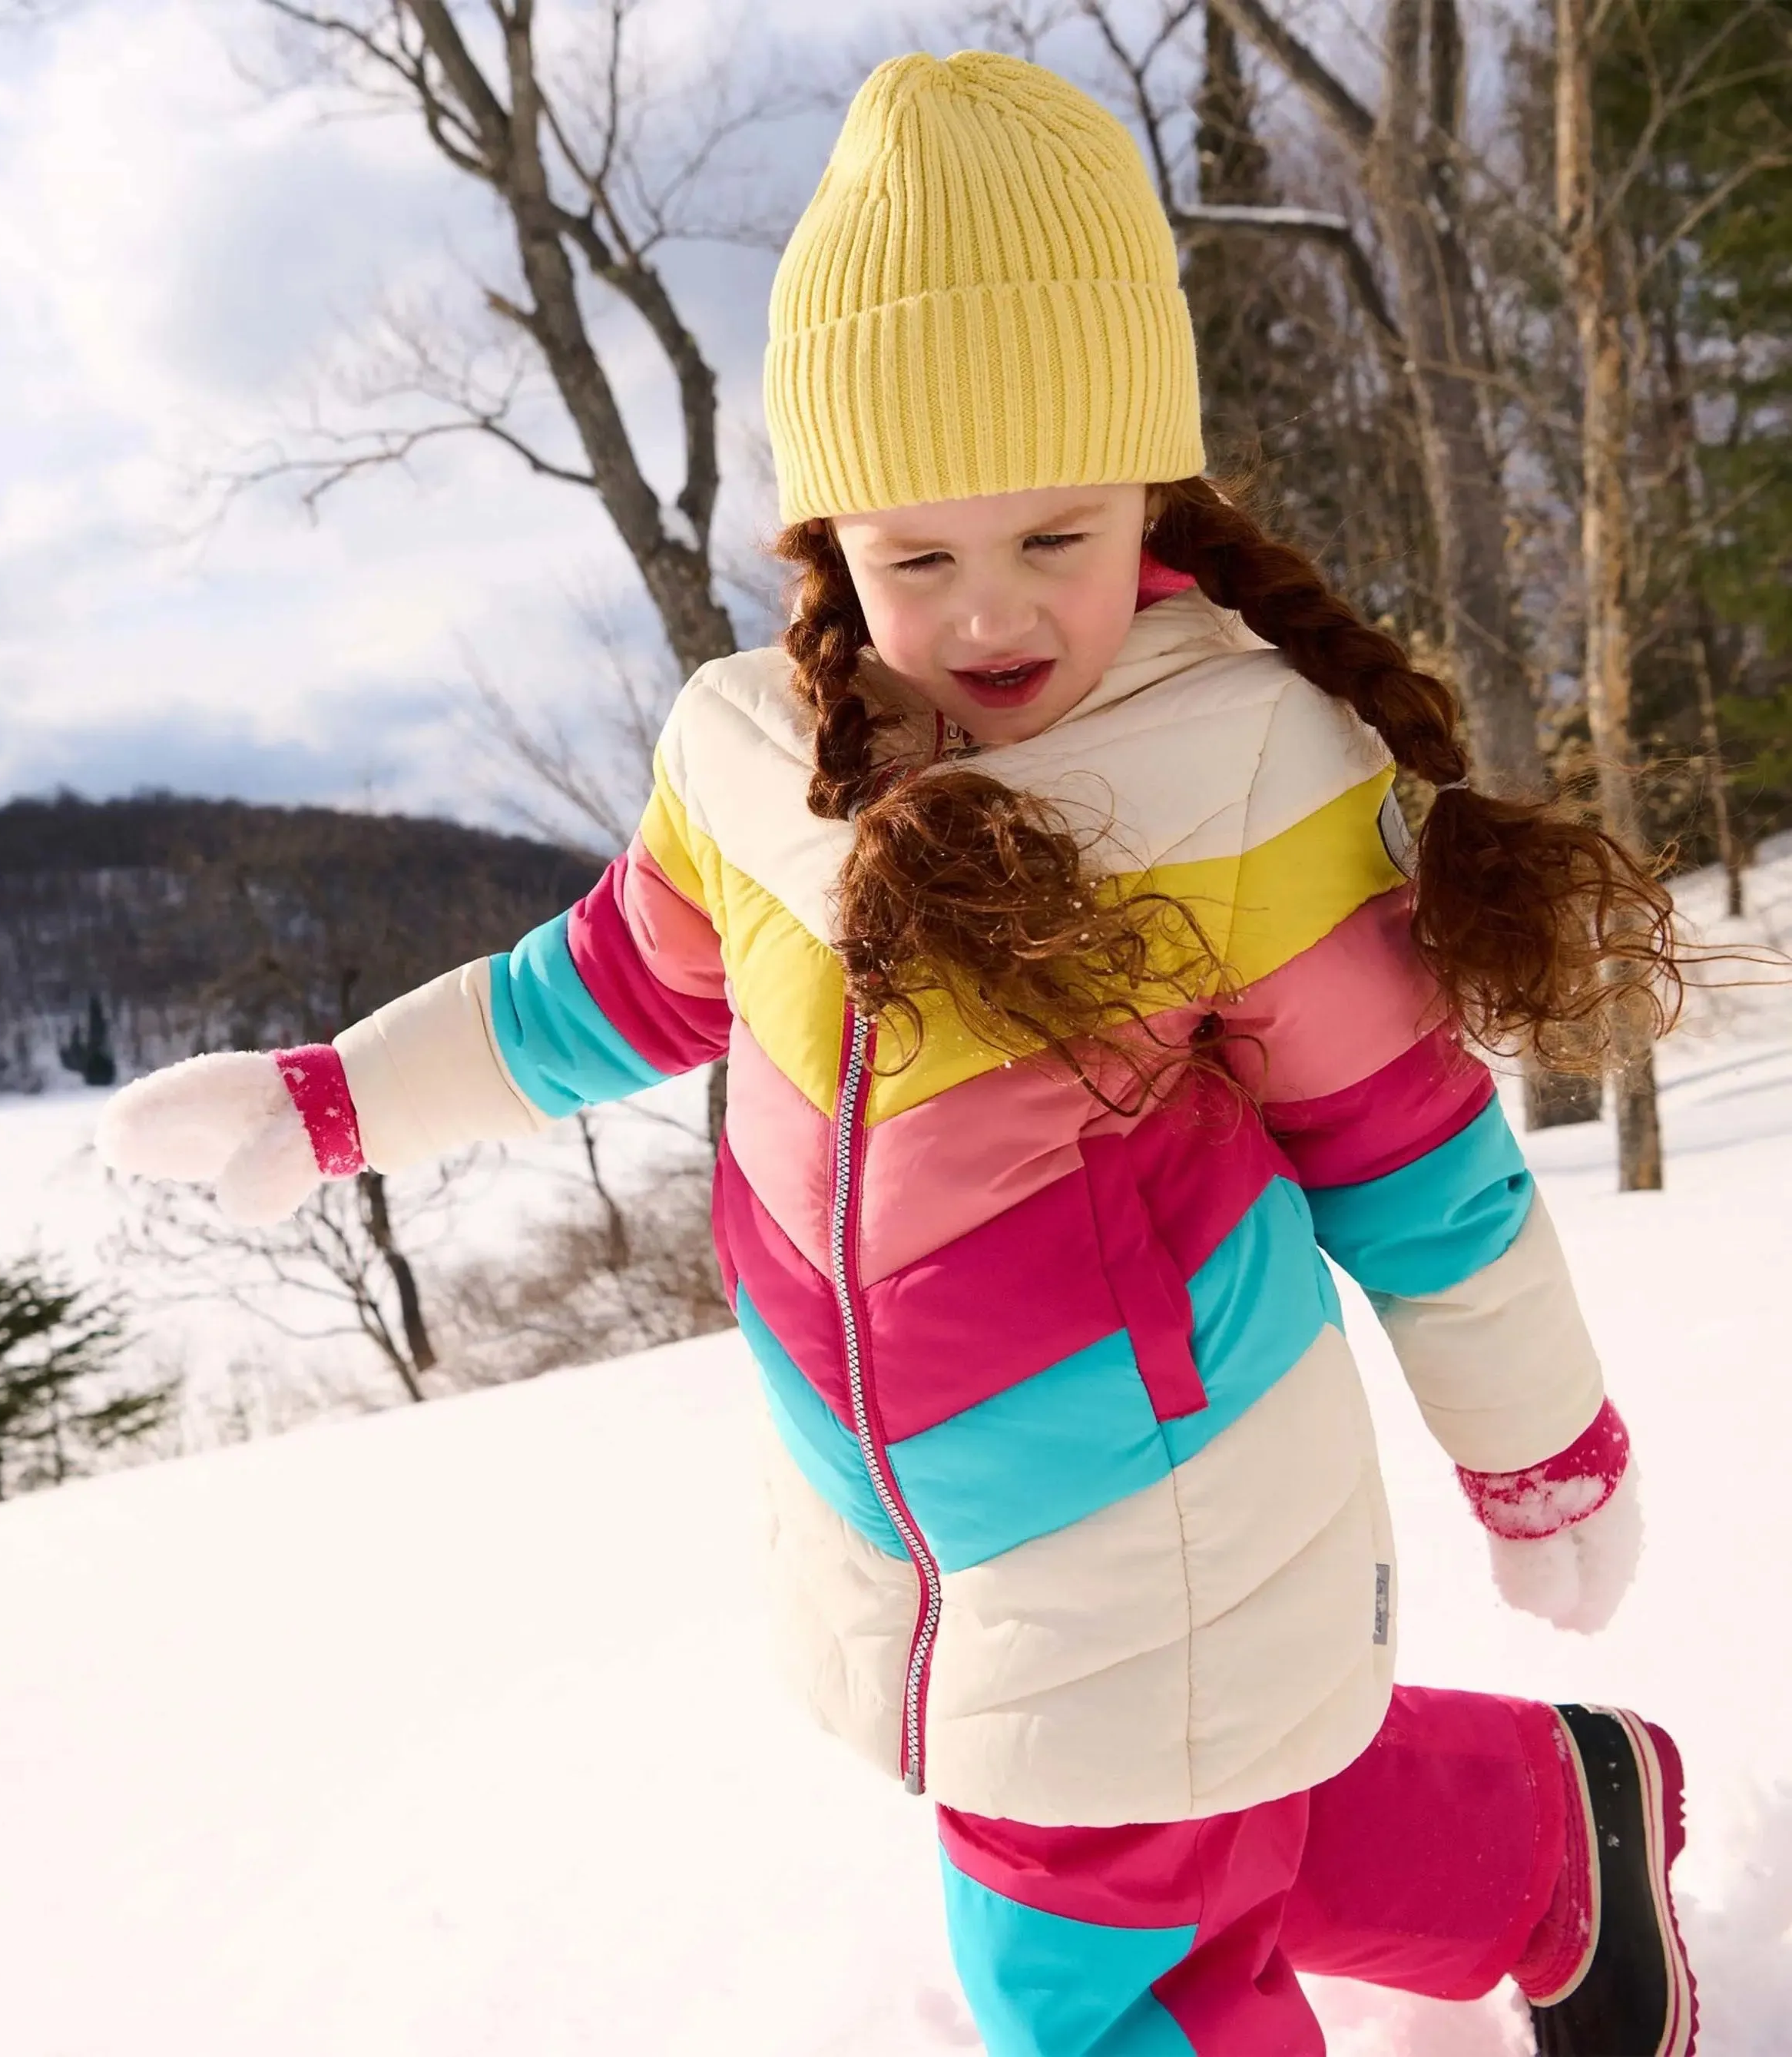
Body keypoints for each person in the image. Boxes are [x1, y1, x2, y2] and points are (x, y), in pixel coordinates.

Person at [98, 51, 1698, 2057]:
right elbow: (596, 993)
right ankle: (1553, 1831)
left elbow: (1410, 1154)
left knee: (1080, 1972)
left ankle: (1530, 1842)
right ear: (826, 533)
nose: (994, 611)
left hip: (1162, 1509)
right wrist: (337, 1099)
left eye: (1057, 533)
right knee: (1194, 1832)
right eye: (915, 557)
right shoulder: (751, 760)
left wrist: (1538, 1451)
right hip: (901, 1515)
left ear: (1154, 497)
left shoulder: (1240, 777)